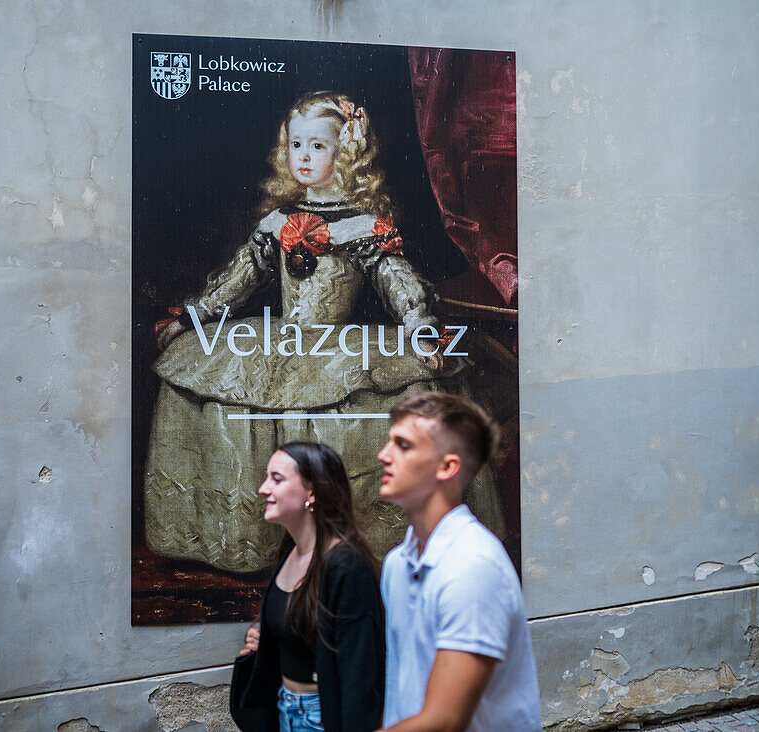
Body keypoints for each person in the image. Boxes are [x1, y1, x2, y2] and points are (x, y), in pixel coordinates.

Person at [144, 90, 503, 573]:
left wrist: (419, 327)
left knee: (384, 396)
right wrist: (194, 315)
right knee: (203, 369)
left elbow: (397, 281)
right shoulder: (278, 221)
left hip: (337, 343)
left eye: (318, 146)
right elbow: (238, 279)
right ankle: (257, 536)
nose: (305, 157)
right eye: (297, 145)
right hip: (279, 340)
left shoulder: (364, 226)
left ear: (346, 152)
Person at [377, 392, 540, 731]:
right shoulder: (397, 563)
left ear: (447, 466)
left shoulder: (472, 565)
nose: (383, 455)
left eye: (403, 446)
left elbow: (445, 720)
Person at [230, 441, 385, 732]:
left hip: (320, 718)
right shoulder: (292, 551)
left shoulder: (346, 564)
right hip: (284, 709)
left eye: (276, 479)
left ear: (312, 491)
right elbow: (309, 633)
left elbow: (359, 676)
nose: (263, 488)